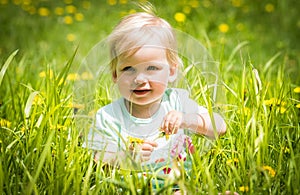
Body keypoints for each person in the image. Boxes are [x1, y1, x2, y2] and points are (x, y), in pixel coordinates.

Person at [83, 9, 227, 193]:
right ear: (115, 75)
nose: (140, 79)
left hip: (176, 186)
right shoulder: (108, 117)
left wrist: (188, 119)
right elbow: (98, 159)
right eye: (128, 69)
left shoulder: (176, 102)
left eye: (151, 68)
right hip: (130, 189)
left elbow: (220, 127)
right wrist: (127, 157)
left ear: (172, 71)